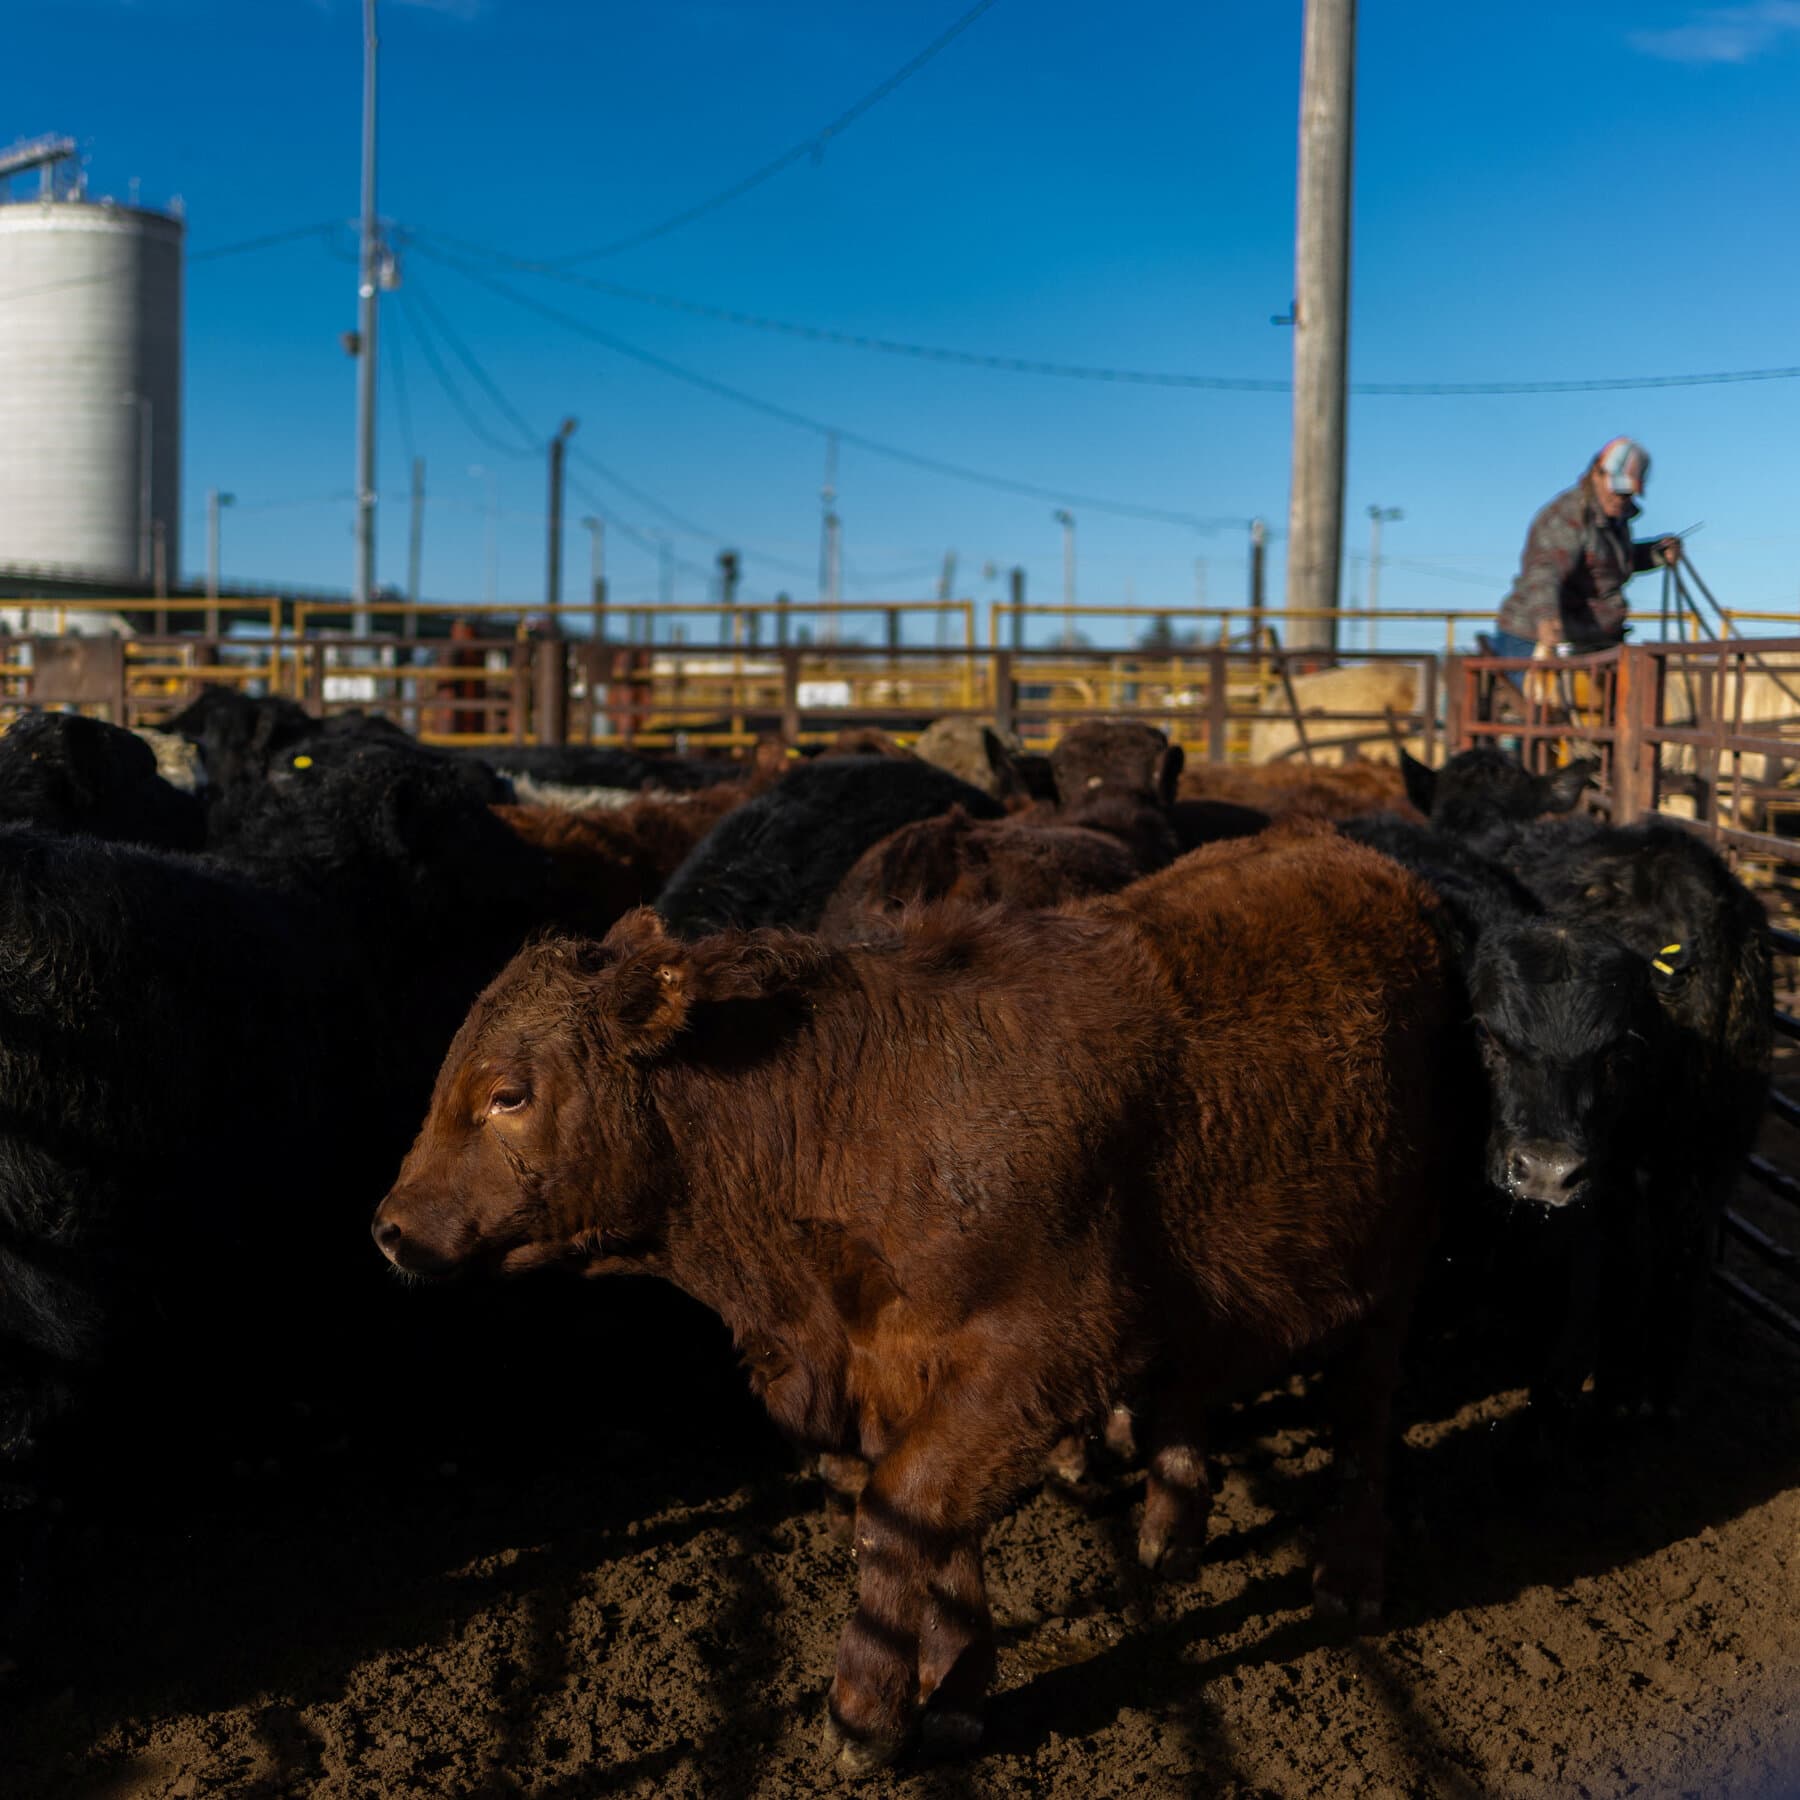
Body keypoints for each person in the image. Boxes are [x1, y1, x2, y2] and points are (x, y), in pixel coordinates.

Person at [1494, 438, 1681, 658]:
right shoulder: (1568, 517)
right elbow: (1544, 571)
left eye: (1627, 493)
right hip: (1535, 639)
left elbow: (1607, 564)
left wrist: (1656, 553)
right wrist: (1547, 617)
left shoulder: (1615, 520)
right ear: (1596, 474)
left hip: (1592, 638)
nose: (1620, 498)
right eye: (1616, 489)